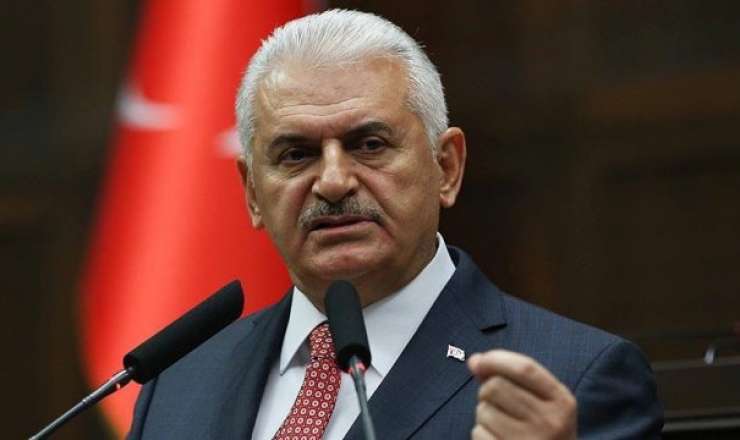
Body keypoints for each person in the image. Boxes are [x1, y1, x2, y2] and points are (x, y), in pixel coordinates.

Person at [128, 9, 662, 439]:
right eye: (296, 154)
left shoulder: (574, 379)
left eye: (369, 145)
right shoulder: (177, 386)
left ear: (446, 167)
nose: (333, 182)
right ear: (252, 193)